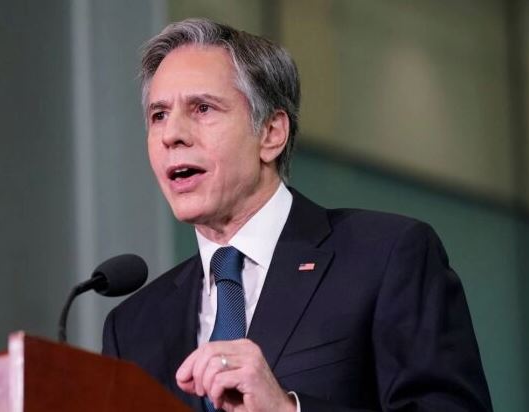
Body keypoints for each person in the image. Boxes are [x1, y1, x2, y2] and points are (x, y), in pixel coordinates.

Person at [102, 18, 493, 412]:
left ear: (271, 132)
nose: (172, 134)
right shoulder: (133, 326)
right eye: (158, 116)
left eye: (202, 108)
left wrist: (287, 410)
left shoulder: (386, 257)